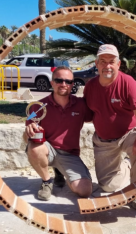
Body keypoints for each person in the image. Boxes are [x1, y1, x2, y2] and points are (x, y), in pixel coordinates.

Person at [83, 44, 136, 210]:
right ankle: (128, 165)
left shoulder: (128, 83)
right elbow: (85, 113)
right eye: (103, 61)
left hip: (128, 134)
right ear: (96, 63)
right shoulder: (90, 86)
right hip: (104, 141)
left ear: (118, 64)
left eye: (111, 61)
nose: (107, 66)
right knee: (108, 187)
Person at [23, 66, 93, 201]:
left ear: (72, 84)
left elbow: (99, 116)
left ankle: (61, 172)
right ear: (52, 83)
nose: (63, 84)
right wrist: (29, 130)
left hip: (69, 154)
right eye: (59, 80)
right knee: (34, 147)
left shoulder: (81, 104)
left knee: (84, 190)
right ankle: (47, 181)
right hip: (47, 149)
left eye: (68, 81)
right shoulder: (38, 106)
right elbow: (27, 134)